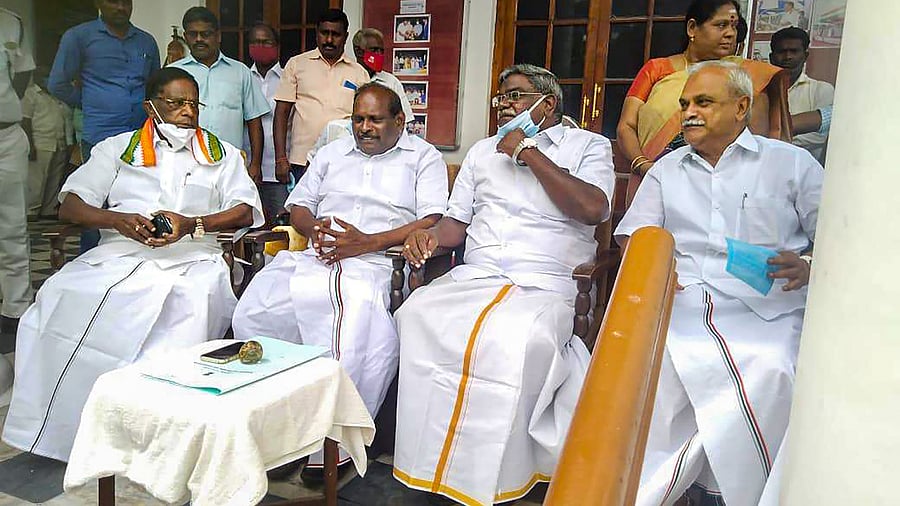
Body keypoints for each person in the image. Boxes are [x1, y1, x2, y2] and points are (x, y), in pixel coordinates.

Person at [1, 68, 264, 462]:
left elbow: (246, 210)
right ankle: (63, 428)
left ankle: (157, 444)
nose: (187, 113)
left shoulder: (222, 153)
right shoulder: (116, 148)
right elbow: (70, 203)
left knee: (185, 305)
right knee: (59, 295)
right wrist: (117, 221)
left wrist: (192, 224)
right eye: (176, 103)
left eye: (193, 104)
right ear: (151, 106)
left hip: (193, 257)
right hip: (118, 253)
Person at [392, 64, 615, 505]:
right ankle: (429, 463)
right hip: (479, 274)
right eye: (502, 98)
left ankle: (503, 475)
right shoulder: (481, 152)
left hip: (547, 280)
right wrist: (428, 237)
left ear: (547, 104)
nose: (504, 107)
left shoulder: (588, 146)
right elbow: (456, 223)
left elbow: (594, 209)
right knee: (418, 315)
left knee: (518, 338)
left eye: (515, 96)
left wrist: (528, 153)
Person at [615, 61, 823, 506]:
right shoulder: (667, 169)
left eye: (703, 102)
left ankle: (740, 494)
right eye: (686, 103)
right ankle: (662, 490)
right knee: (656, 366)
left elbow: (836, 236)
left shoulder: (790, 163)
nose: (689, 112)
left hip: (770, 306)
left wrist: (809, 263)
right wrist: (654, 266)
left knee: (775, 366)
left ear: (741, 107)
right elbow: (636, 235)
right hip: (682, 298)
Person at [233, 83, 447, 469]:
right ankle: (274, 429)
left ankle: (332, 441)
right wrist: (314, 229)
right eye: (358, 119)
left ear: (399, 121)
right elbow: (298, 205)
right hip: (319, 257)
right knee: (258, 308)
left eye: (375, 119)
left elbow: (433, 218)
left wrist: (365, 243)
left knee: (349, 323)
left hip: (378, 263)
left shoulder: (423, 157)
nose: (364, 127)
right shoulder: (332, 153)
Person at [617, 0, 787, 181]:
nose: (730, 34)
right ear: (692, 28)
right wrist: (643, 165)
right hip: (656, 176)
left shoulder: (750, 77)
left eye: (734, 26)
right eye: (721, 25)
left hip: (724, 181)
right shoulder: (656, 69)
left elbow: (755, 142)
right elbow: (626, 126)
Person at [49, 0, 160, 252]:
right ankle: (92, 264)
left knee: (136, 199)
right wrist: (90, 102)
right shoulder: (78, 37)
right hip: (99, 135)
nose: (120, 7)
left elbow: (155, 86)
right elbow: (58, 84)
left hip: (140, 136)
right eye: (113, 1)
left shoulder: (146, 41)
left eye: (126, 2)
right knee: (95, 206)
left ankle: (137, 259)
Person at [170, 7, 269, 184]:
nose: (199, 39)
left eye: (205, 34)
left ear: (218, 36)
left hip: (230, 165)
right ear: (185, 37)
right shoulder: (173, 73)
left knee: (232, 211)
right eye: (193, 34)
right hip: (184, 164)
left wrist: (255, 165)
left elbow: (254, 122)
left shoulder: (240, 72)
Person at [273, 8, 369, 182]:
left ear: (345, 37)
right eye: (325, 33)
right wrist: (280, 158)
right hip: (302, 162)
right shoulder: (296, 64)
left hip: (344, 160)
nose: (329, 40)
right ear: (316, 34)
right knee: (301, 209)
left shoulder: (359, 73)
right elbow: (281, 113)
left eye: (336, 34)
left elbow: (365, 117)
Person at [0, 6, 35, 398]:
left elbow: (22, 76)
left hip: (6, 135)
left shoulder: (11, 22)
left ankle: (17, 311)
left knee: (13, 227)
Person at [242, 23, 289, 224]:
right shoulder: (241, 77)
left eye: (266, 42)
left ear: (277, 46)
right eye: (255, 42)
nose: (260, 46)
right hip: (247, 169)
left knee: (279, 229)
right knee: (248, 228)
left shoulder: (289, 77)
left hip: (278, 170)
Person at [770, 26, 834, 163]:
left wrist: (771, 140)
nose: (788, 57)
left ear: (805, 56)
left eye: (794, 51)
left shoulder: (822, 90)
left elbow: (819, 137)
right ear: (771, 57)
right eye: (782, 52)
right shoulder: (762, 91)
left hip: (805, 175)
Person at [23, 66, 75, 218]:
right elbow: (25, 121)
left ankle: (48, 210)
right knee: (37, 180)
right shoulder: (31, 94)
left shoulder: (58, 95)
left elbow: (66, 120)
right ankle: (31, 211)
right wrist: (30, 146)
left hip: (59, 142)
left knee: (54, 178)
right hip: (40, 143)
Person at [352, 28, 415, 122]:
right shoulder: (346, 76)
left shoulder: (391, 82)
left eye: (381, 51)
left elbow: (404, 120)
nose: (379, 54)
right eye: (374, 50)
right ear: (359, 51)